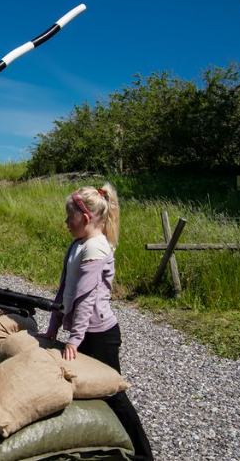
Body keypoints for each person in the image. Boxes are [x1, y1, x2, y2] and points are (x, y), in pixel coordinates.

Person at [41, 184, 153, 461]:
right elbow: (65, 290)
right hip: (83, 332)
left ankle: (143, 455)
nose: (66, 222)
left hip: (100, 335)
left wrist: (74, 339)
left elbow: (85, 299)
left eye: (69, 216)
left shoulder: (96, 247)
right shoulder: (77, 245)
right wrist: (53, 327)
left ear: (85, 217)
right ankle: (96, 445)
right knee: (85, 390)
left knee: (112, 393)